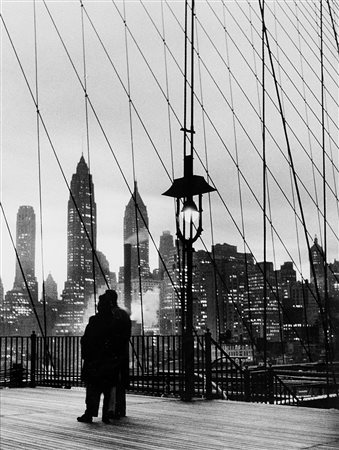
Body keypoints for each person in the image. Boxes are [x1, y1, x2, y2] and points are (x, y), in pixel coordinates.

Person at [77, 289, 131, 424]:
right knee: (110, 387)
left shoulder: (95, 321)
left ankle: (90, 413)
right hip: (114, 357)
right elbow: (122, 337)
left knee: (93, 388)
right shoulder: (120, 317)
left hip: (96, 360)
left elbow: (87, 339)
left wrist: (87, 354)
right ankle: (110, 412)